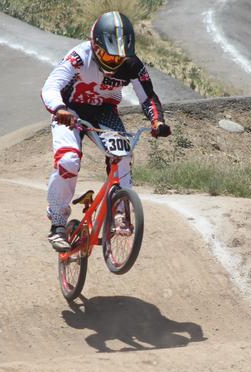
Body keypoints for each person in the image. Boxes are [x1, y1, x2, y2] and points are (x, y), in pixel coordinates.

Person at [41, 11, 171, 252]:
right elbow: (51, 85)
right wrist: (59, 108)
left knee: (123, 154)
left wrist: (157, 121)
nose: (113, 63)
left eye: (119, 58)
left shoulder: (133, 65)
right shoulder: (79, 56)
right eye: (107, 56)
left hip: (104, 112)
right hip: (70, 111)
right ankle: (57, 222)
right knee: (68, 161)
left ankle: (120, 213)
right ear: (94, 44)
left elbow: (148, 97)